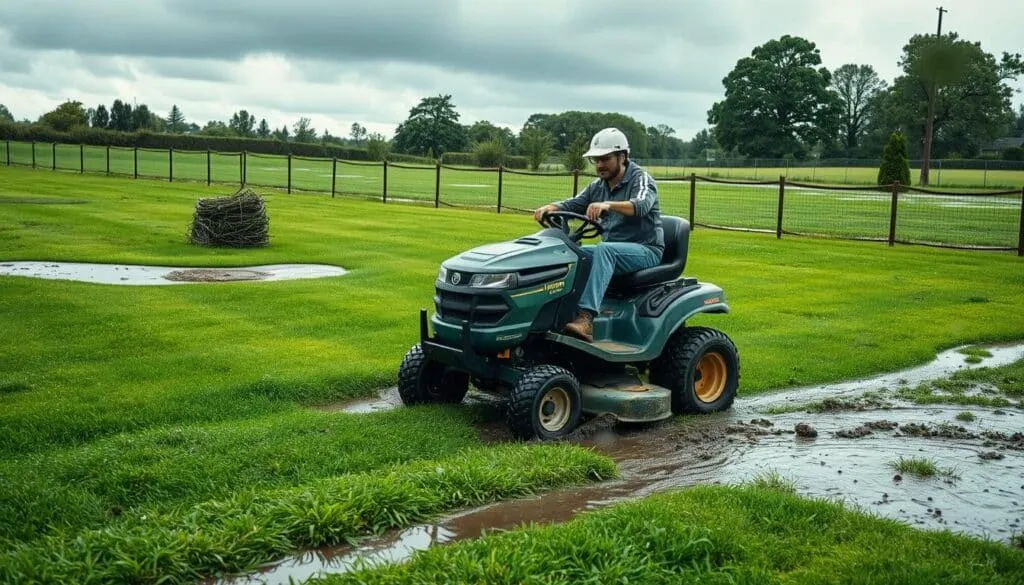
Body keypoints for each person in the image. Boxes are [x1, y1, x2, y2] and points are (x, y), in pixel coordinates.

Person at [533, 127, 663, 342]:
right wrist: (551, 207)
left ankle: (586, 319)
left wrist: (608, 205)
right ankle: (559, 310)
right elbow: (574, 204)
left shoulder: (641, 179)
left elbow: (640, 206)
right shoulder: (597, 186)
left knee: (604, 250)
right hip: (615, 249)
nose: (600, 165)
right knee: (575, 254)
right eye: (596, 160)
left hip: (645, 249)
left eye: (605, 159)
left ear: (622, 156)